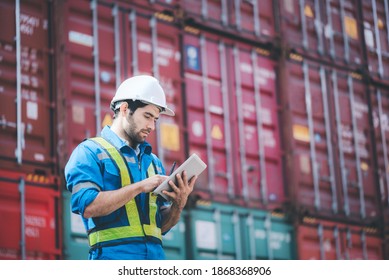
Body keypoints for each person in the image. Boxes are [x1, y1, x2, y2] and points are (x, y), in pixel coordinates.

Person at [64, 75, 197, 260]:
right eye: (147, 116)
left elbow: (160, 227)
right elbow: (87, 206)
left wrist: (178, 204)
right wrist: (141, 186)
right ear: (125, 109)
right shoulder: (90, 152)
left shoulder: (154, 163)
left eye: (155, 119)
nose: (151, 126)